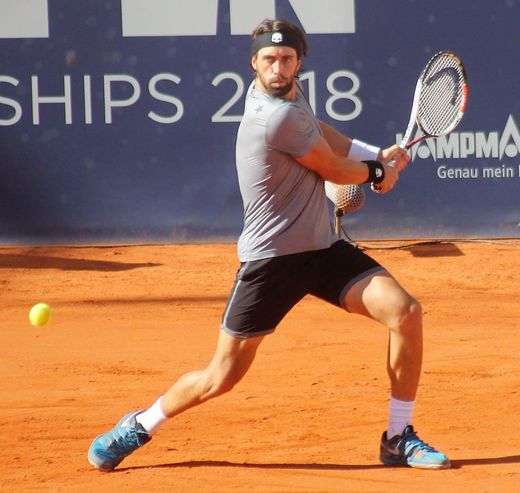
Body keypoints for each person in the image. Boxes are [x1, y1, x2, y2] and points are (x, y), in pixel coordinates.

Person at [88, 18, 450, 471]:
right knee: (221, 377)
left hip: (322, 248)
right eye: (269, 59)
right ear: (253, 63)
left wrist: (374, 153)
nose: (278, 67)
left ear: (298, 63)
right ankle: (141, 422)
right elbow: (333, 169)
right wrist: (377, 173)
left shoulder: (290, 96)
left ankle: (398, 437)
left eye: (287, 59)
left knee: (406, 312)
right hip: (272, 261)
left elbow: (319, 129)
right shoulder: (273, 115)